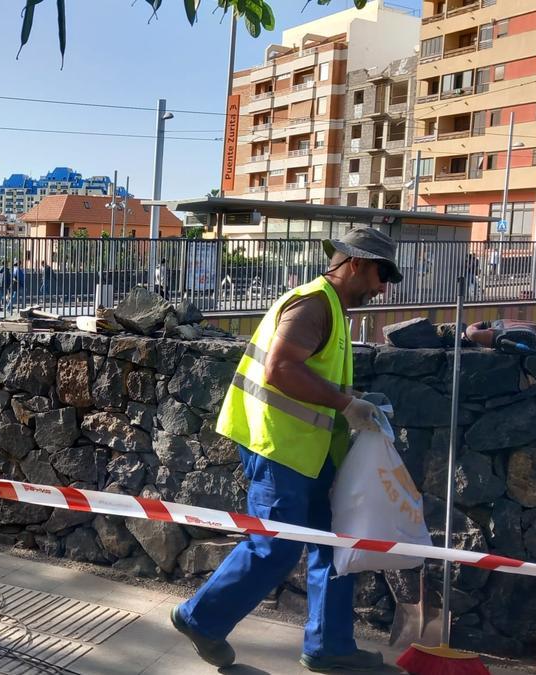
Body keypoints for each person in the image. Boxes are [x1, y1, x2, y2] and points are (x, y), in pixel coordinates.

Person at [170, 228, 401, 672]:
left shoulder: (330, 307)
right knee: (273, 546)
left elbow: (310, 376)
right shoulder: (314, 304)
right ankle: (199, 618)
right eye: (380, 274)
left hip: (309, 452)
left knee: (332, 543)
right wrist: (346, 403)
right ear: (354, 263)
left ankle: (329, 646)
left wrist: (354, 403)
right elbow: (279, 370)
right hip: (279, 447)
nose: (382, 287)